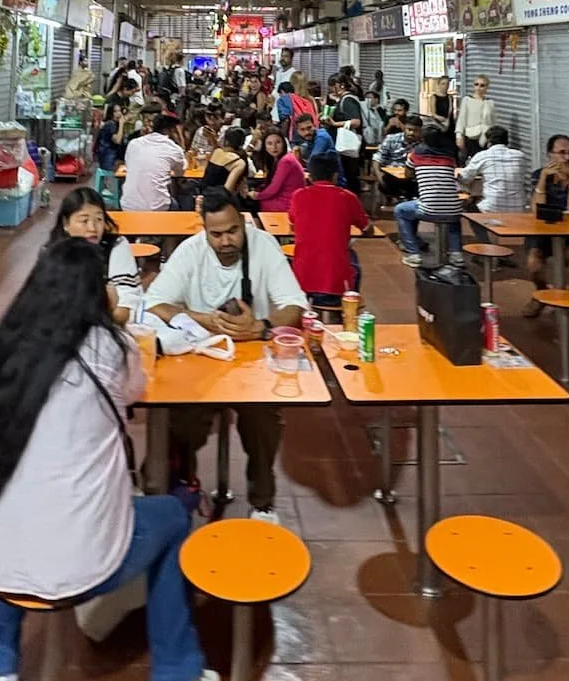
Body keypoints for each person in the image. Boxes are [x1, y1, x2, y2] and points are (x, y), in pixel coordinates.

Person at [0, 238, 220, 681]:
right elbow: (136, 389)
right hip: (82, 561)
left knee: (8, 511)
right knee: (171, 519)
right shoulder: (108, 349)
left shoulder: (4, 347)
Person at [146, 189, 309, 521]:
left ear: (244, 223)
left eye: (233, 231)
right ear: (203, 229)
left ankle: (263, 503)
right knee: (179, 426)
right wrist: (204, 319)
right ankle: (183, 488)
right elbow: (155, 302)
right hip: (201, 363)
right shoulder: (191, 251)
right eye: (216, 234)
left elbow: (294, 306)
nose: (225, 242)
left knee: (264, 426)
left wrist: (260, 326)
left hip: (254, 363)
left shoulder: (263, 246)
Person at [51, 186, 141, 322]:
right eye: (84, 220)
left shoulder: (116, 246)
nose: (92, 228)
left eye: (99, 219)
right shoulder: (53, 251)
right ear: (66, 223)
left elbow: (125, 306)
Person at [287, 152, 365, 307]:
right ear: (335, 176)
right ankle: (344, 316)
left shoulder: (298, 196)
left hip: (301, 286)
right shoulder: (348, 197)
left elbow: (292, 220)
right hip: (338, 287)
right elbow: (366, 226)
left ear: (309, 176)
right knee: (353, 259)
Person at [524, 133, 569, 317]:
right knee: (533, 263)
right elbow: (535, 210)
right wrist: (543, 179)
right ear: (550, 155)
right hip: (542, 232)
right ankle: (542, 294)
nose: (566, 158)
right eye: (561, 153)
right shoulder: (539, 174)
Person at [394, 125, 462, 267]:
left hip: (428, 209)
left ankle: (413, 254)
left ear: (422, 138)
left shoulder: (416, 153)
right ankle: (456, 254)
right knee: (453, 213)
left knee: (400, 210)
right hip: (454, 208)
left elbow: (408, 174)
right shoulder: (449, 154)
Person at [121, 113, 188, 212]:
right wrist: (181, 140)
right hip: (157, 208)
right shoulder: (173, 149)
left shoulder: (133, 143)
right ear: (171, 131)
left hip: (127, 205)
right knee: (177, 204)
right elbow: (180, 173)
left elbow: (129, 166)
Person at [459, 125, 528, 214]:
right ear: (506, 141)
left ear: (489, 142)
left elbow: (464, 179)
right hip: (519, 208)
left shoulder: (483, 156)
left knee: (467, 205)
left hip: (490, 209)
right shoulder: (520, 156)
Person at [252, 128, 307, 212]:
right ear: (264, 146)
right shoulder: (280, 159)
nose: (274, 147)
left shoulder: (286, 161)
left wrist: (256, 195)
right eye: (269, 143)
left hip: (287, 204)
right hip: (286, 200)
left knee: (253, 203)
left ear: (284, 143)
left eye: (278, 142)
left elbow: (273, 189)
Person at [198, 126, 250, 203]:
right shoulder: (239, 162)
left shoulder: (216, 152)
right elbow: (227, 190)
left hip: (203, 197)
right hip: (220, 202)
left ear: (226, 141)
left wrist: (213, 138)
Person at [455, 76, 496, 162]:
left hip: (485, 138)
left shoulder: (490, 103)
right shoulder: (467, 100)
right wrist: (459, 136)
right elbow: (461, 119)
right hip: (470, 137)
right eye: (476, 84)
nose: (479, 88)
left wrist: (492, 140)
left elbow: (493, 122)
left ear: (487, 87)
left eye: (482, 85)